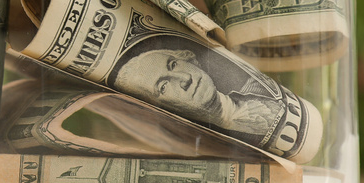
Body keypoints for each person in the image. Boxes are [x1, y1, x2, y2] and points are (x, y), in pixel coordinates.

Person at [110, 46, 282, 139]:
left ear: (189, 58)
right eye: (163, 86)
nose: (184, 78)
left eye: (173, 65)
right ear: (161, 109)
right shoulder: (211, 148)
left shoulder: (259, 86)